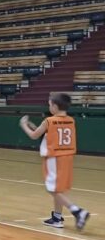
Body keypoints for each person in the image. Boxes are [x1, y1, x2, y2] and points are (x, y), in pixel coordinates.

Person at [19, 92, 89, 230]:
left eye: (50, 105)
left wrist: (24, 125)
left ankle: (77, 211)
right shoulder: (71, 120)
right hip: (67, 157)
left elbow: (34, 136)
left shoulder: (49, 121)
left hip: (54, 159)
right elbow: (53, 135)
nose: (49, 107)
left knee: (52, 189)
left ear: (55, 106)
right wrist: (37, 127)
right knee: (59, 189)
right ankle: (57, 218)